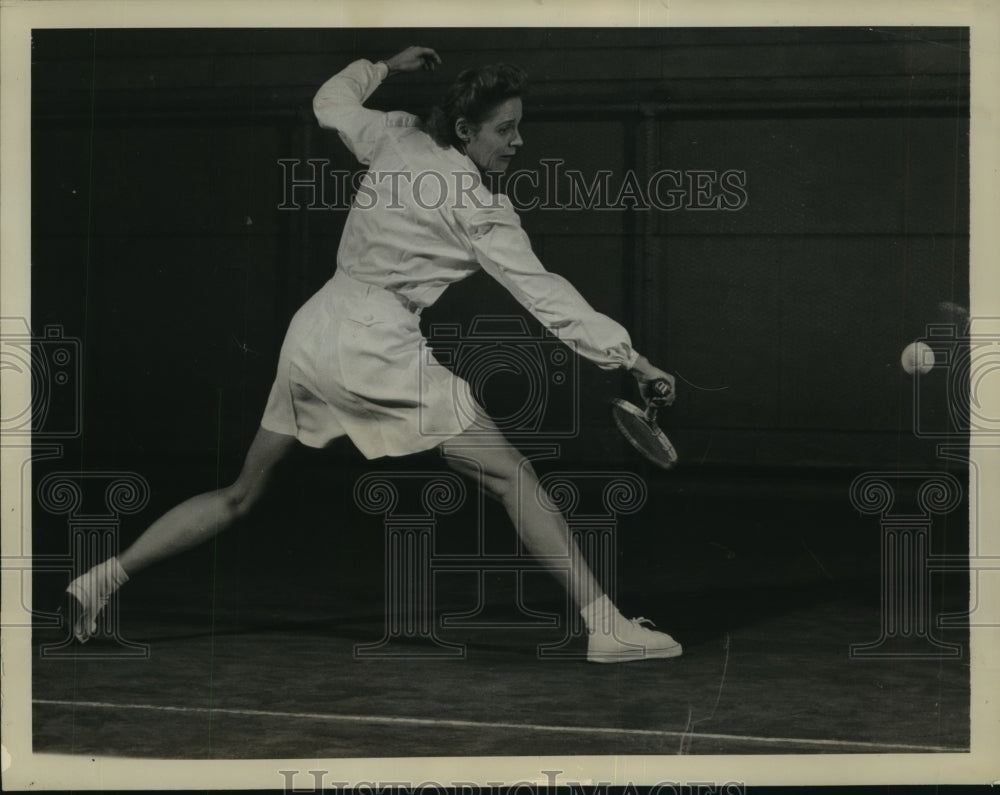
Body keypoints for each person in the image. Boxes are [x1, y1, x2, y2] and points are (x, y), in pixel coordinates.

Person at [66, 46, 682, 664]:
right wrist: (631, 360)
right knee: (512, 475)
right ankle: (607, 628)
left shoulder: (396, 136)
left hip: (312, 330)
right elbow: (546, 295)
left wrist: (384, 66)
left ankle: (101, 579)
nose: (518, 141)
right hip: (374, 341)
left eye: (520, 125)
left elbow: (329, 101)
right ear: (466, 130)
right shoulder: (483, 209)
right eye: (505, 128)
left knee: (241, 493)